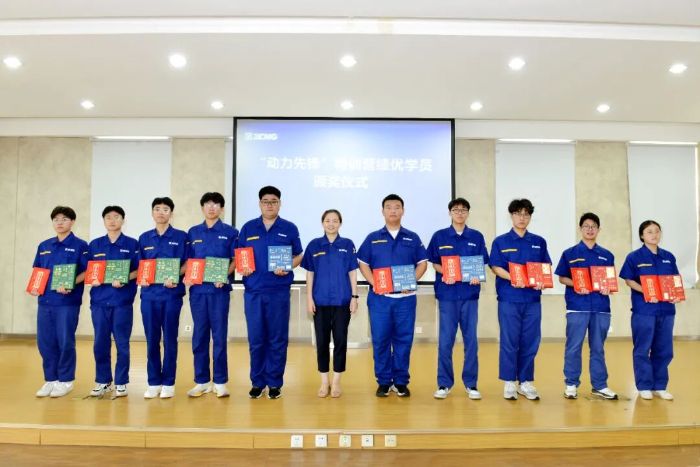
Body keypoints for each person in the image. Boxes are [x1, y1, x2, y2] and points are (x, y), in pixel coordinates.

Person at [357, 194, 428, 397]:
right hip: (380, 300)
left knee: (404, 341)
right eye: (389, 207)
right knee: (380, 341)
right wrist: (375, 283)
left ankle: (401, 381)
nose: (393, 211)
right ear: (383, 211)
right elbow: (363, 263)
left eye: (397, 207)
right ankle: (384, 381)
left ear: (403, 211)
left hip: (406, 300)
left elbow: (423, 263)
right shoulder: (373, 237)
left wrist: (411, 281)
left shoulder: (412, 237)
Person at [236, 186, 303, 399]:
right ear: (260, 204)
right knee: (256, 339)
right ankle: (257, 382)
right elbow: (240, 256)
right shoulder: (248, 228)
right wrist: (243, 267)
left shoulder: (289, 228)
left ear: (279, 204)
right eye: (265, 201)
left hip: (278, 292)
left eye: (274, 201)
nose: (269, 205)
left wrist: (288, 266)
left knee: (277, 339)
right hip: (254, 291)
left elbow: (298, 255)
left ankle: (274, 383)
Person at [489, 199, 551, 401]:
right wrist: (513, 278)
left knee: (530, 341)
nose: (522, 218)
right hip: (509, 298)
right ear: (511, 216)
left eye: (526, 214)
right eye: (518, 214)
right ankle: (509, 381)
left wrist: (542, 281)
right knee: (509, 340)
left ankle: (525, 382)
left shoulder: (539, 241)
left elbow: (545, 268)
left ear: (530, 217)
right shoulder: (501, 241)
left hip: (532, 300)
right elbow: (496, 267)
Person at [427, 198, 489, 400]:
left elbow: (481, 262)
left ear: (468, 213)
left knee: (471, 341)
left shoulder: (476, 236)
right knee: (446, 341)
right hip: (448, 296)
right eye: (456, 210)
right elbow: (434, 263)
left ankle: (471, 384)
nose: (460, 213)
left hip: (469, 296)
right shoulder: (440, 236)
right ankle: (444, 383)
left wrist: (476, 275)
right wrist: (446, 271)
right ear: (450, 213)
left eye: (463, 210)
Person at [554, 213, 618, 400]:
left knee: (598, 348)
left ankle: (600, 385)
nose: (590, 229)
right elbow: (562, 278)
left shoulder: (607, 255)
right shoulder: (570, 253)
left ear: (598, 229)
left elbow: (610, 281)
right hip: (577, 307)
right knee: (573, 347)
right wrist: (578, 284)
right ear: (580, 229)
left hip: (601, 307)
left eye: (593, 226)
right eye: (586, 226)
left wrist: (608, 288)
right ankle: (571, 384)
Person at [30, 206, 88, 398]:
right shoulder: (44, 245)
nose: (59, 223)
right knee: (45, 342)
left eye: (64, 219)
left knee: (65, 341)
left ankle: (65, 380)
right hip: (45, 301)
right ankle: (51, 379)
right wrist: (35, 286)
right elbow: (38, 271)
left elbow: (88, 271)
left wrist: (71, 283)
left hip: (67, 302)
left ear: (72, 222)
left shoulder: (81, 245)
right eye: (56, 219)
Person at [620, 220, 681, 401]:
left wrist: (676, 294)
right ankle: (644, 385)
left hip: (666, 310)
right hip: (644, 310)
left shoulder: (668, 257)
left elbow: (674, 280)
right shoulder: (634, 257)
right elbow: (629, 280)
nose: (654, 234)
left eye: (657, 231)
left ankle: (660, 386)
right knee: (642, 349)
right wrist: (646, 291)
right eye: (649, 232)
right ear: (642, 236)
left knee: (664, 349)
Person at [184, 192, 237, 398]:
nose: (212, 207)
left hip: (219, 291)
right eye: (207, 204)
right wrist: (188, 276)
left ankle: (220, 381)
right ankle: (202, 381)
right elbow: (189, 261)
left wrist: (224, 275)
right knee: (199, 336)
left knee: (220, 336)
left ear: (222, 208)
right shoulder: (193, 232)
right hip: (198, 292)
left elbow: (235, 259)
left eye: (216, 204)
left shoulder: (230, 232)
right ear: (202, 207)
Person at [302, 209, 359, 398]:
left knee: (341, 341)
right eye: (328, 220)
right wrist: (309, 298)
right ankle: (324, 381)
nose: (331, 224)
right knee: (322, 342)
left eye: (335, 220)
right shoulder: (314, 245)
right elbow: (310, 274)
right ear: (322, 223)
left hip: (342, 301)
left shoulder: (347, 244)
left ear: (340, 223)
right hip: (320, 302)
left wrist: (354, 297)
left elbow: (352, 272)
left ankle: (336, 382)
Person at [138, 197, 188, 399]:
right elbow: (140, 266)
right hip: (149, 297)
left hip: (171, 296)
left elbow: (188, 263)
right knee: (151, 340)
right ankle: (153, 382)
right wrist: (143, 277)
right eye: (157, 209)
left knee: (170, 340)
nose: (161, 212)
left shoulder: (181, 236)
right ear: (152, 213)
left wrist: (175, 276)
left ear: (171, 213)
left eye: (165, 209)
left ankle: (168, 383)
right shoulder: (144, 238)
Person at [87, 206, 139, 397]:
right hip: (99, 302)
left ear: (123, 220)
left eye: (116, 217)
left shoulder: (132, 244)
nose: (112, 220)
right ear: (103, 221)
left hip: (121, 302)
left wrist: (125, 278)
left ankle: (121, 382)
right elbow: (89, 271)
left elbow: (140, 270)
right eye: (108, 217)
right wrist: (92, 278)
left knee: (122, 344)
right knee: (100, 343)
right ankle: (103, 381)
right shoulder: (95, 245)